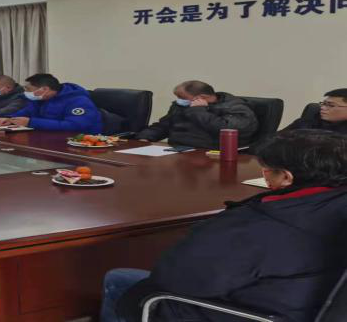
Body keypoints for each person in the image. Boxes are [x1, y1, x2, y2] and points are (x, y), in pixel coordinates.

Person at [102, 129, 347, 322]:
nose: (264, 176)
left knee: (121, 280)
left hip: (249, 314)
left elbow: (178, 280)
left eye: (266, 171)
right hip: (301, 306)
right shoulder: (331, 205)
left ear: (285, 177)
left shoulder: (259, 226)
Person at [135, 80, 258, 148]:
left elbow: (226, 130)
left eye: (182, 98)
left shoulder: (235, 107)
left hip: (210, 155)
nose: (179, 101)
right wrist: (145, 137)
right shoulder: (182, 105)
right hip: (178, 151)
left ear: (201, 97)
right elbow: (165, 125)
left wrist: (199, 111)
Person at [0, 73, 102, 133]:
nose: (25, 92)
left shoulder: (78, 100)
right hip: (48, 137)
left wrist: (31, 122)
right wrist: (10, 118)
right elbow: (27, 111)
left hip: (80, 142)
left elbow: (75, 125)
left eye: (28, 89)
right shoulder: (40, 98)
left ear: (44, 89)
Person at [281, 88, 347, 134]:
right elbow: (276, 139)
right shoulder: (304, 124)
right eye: (323, 104)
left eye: (330, 105)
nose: (322, 108)